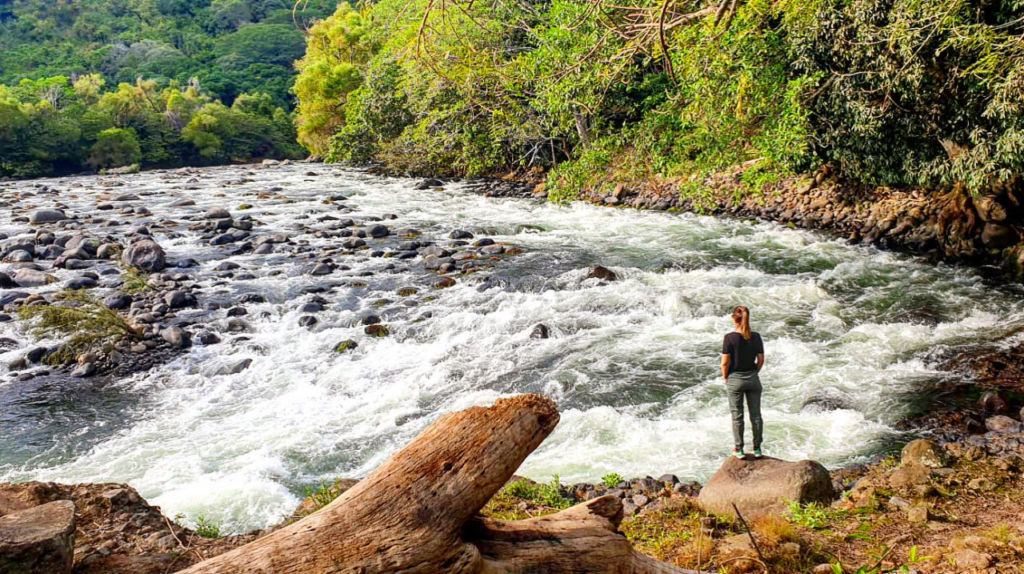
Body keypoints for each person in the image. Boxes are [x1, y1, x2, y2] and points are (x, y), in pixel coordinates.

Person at [720, 306, 764, 459]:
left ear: (734, 319)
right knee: (756, 416)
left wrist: (726, 377)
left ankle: (739, 449)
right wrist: (754, 372)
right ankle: (757, 449)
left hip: (735, 378)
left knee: (737, 416)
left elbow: (725, 363)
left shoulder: (729, 338)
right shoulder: (756, 336)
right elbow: (761, 359)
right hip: (752, 378)